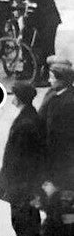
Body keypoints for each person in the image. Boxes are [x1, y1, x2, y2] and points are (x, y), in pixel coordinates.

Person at [0, 81, 46, 236]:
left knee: (23, 226)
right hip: (26, 186)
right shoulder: (30, 117)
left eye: (14, 95)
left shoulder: (26, 124)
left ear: (21, 98)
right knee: (28, 224)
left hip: (22, 187)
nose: (12, 98)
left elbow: (21, 160)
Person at [40, 57, 74, 189]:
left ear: (62, 80)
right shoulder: (53, 93)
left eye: (52, 78)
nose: (49, 80)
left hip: (62, 154)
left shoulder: (69, 101)